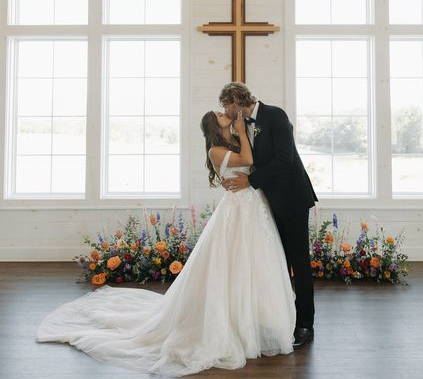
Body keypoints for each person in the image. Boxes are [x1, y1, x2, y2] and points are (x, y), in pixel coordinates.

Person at [36, 110, 296, 376]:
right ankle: (228, 321)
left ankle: (255, 320)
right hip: (235, 210)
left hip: (254, 208)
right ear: (214, 127)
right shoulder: (216, 151)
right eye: (219, 114)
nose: (224, 113)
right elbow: (248, 159)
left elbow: (256, 163)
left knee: (255, 262)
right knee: (230, 261)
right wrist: (241, 130)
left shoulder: (234, 142)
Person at [218, 82, 317, 349]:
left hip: (293, 199)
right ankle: (281, 319)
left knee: (299, 261)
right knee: (277, 262)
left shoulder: (276, 116)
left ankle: (305, 324)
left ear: (236, 100)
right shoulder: (242, 126)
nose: (224, 110)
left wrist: (250, 181)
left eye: (225, 104)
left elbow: (285, 160)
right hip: (268, 202)